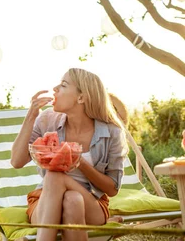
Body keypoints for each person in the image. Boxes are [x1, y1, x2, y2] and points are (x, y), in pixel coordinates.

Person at [10, 68, 127, 241]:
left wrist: (79, 162)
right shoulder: (47, 120)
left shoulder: (112, 133)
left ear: (81, 97)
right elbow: (16, 161)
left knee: (54, 176)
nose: (55, 88)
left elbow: (112, 189)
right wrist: (31, 116)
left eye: (63, 85)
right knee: (72, 200)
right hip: (44, 203)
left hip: (92, 204)